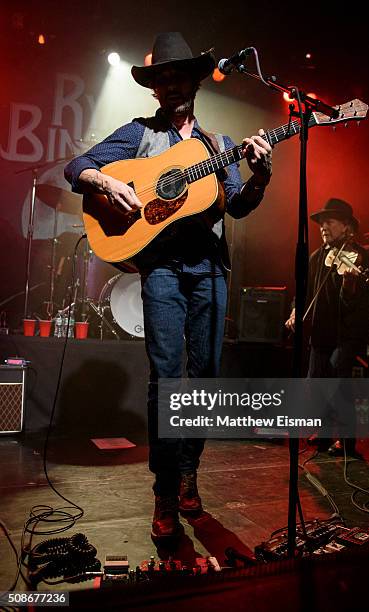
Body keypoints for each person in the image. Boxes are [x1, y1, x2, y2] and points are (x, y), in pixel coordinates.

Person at [64, 32, 272, 540]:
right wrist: (107, 181)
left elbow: (237, 205)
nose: (170, 83)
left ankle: (188, 475)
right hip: (161, 270)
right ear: (154, 88)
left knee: (202, 379)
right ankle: (164, 491)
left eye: (178, 75)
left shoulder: (218, 146)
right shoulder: (137, 135)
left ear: (195, 81)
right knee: (167, 381)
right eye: (162, 77)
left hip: (208, 271)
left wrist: (260, 177)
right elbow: (76, 167)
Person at [285, 198, 369, 456]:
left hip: (346, 334)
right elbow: (304, 291)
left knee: (339, 388)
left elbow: (353, 304)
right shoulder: (316, 257)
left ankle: (346, 442)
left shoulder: (360, 256)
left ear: (346, 226)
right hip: (320, 332)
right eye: (321, 223)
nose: (323, 227)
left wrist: (349, 285)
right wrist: (294, 310)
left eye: (330, 222)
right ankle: (322, 436)